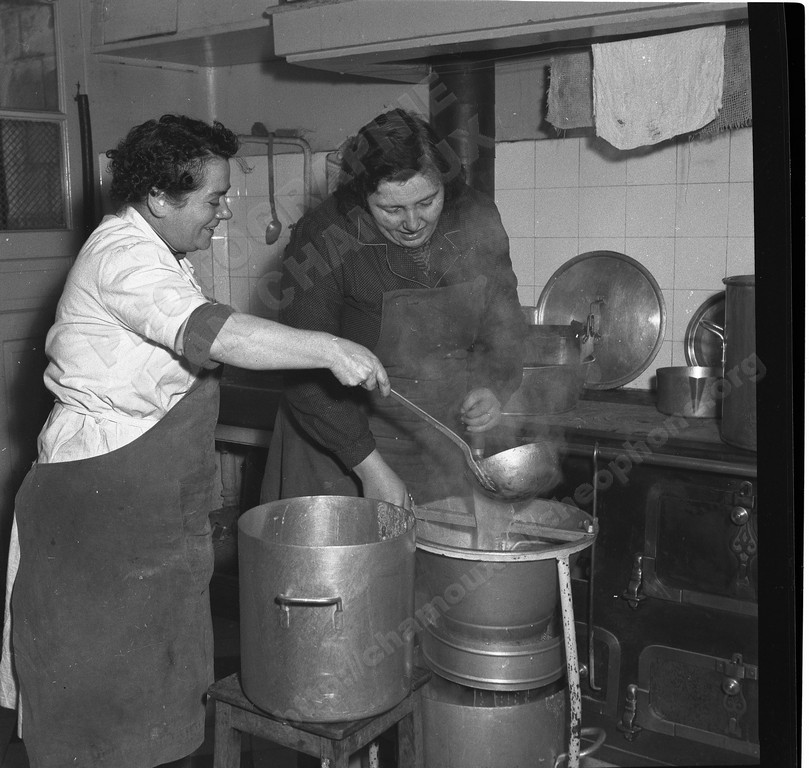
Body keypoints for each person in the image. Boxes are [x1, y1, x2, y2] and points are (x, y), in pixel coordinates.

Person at [0, 114, 389, 768]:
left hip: (144, 502)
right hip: (97, 504)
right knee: (95, 707)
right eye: (213, 198)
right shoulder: (121, 257)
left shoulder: (162, 256)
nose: (225, 211)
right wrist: (329, 348)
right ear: (159, 197)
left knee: (157, 691)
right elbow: (214, 334)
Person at [261, 109, 526, 509]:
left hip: (434, 443)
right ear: (361, 195)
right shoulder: (324, 235)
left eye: (427, 201)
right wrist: (369, 468)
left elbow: (505, 325)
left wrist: (496, 387)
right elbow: (305, 371)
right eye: (392, 210)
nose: (413, 223)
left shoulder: (476, 218)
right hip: (338, 444)